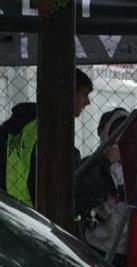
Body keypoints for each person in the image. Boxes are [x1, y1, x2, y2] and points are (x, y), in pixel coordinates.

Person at [1, 68, 92, 207]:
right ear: (67, 94)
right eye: (84, 94)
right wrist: (105, 161)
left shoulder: (19, 127)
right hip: (40, 221)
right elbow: (73, 188)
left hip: (12, 215)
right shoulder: (52, 131)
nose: (88, 102)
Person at [75, 108, 132, 267]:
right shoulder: (93, 165)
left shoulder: (135, 166)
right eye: (118, 133)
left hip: (130, 252)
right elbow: (88, 213)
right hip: (99, 249)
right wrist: (107, 161)